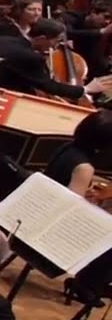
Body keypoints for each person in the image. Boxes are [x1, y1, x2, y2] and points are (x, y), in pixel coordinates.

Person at [44, 110, 112, 302]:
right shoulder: (84, 167)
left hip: (46, 209)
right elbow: (73, 212)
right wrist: (94, 203)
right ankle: (88, 284)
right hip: (54, 229)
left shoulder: (66, 147)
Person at [0, 18, 111, 102]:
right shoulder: (31, 57)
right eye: (57, 40)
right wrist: (86, 89)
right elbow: (48, 86)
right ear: (41, 38)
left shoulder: (3, 40)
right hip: (4, 96)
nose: (57, 45)